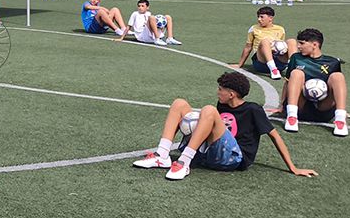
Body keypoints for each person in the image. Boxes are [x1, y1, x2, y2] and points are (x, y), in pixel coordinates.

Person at [132, 71, 316, 181]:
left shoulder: (253, 109)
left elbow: (274, 136)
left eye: (221, 89)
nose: (217, 92)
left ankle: (183, 162)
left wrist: (293, 167)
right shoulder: (223, 105)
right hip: (211, 153)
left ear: (232, 94)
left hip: (234, 159)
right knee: (179, 103)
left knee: (209, 110)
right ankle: (162, 155)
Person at [281, 28, 348, 137]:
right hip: (301, 106)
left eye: (302, 43)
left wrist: (341, 107)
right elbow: (287, 82)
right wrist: (281, 105)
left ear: (315, 45)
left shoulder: (332, 62)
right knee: (297, 73)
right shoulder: (296, 58)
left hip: (323, 108)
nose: (298, 46)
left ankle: (340, 120)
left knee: (338, 76)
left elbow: (337, 89)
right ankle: (292, 117)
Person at [229, 5, 295, 80]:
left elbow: (282, 47)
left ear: (270, 18)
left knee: (291, 41)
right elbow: (248, 47)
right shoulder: (254, 28)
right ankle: (273, 70)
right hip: (261, 63)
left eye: (261, 17)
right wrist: (240, 64)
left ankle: (293, 68)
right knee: (265, 41)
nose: (259, 19)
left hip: (279, 62)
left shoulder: (280, 29)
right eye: (258, 17)